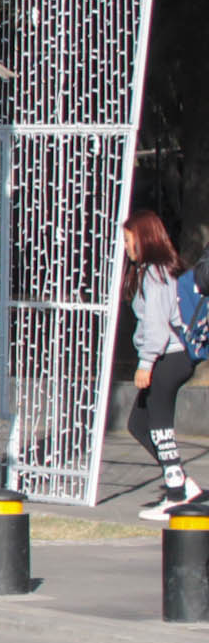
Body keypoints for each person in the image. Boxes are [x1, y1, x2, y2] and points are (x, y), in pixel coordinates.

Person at [125, 209, 206, 520]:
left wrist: (145, 364)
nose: (127, 247)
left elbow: (157, 326)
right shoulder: (155, 270)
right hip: (168, 356)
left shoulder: (155, 274)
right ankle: (183, 485)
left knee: (159, 425)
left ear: (143, 238)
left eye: (129, 240)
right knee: (139, 423)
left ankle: (175, 494)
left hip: (168, 357)